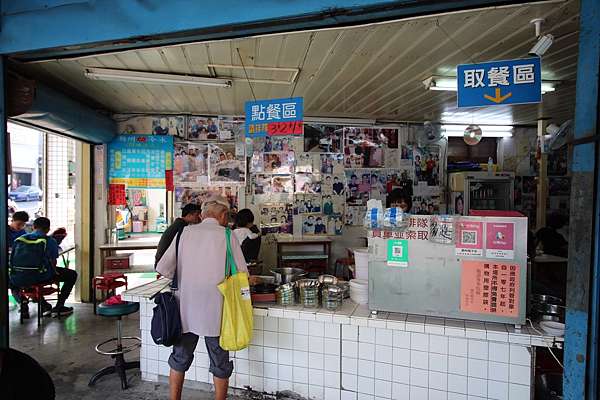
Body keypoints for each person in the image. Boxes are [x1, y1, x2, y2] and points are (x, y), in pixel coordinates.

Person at [156, 195, 247, 400]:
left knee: (180, 357)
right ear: (223, 215)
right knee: (220, 361)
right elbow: (241, 274)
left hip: (185, 308)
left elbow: (163, 268)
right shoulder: (226, 235)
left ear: (203, 214)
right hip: (216, 310)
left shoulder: (184, 233)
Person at [14, 217, 78, 317]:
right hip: (41, 276)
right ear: (48, 229)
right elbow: (53, 262)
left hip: (19, 277)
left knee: (20, 281)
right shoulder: (50, 241)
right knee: (72, 274)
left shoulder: (20, 240)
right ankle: (59, 307)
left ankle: (38, 304)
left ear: (33, 227)